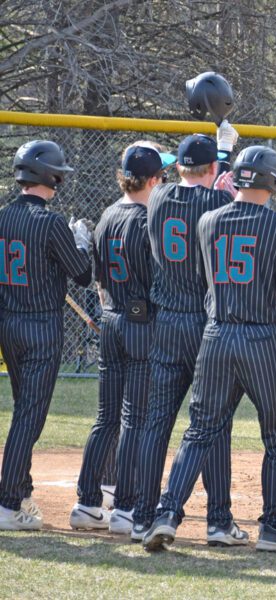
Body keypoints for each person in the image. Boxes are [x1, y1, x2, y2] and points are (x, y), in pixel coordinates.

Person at [142, 145, 276, 554]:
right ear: (273, 181)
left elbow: (206, 279)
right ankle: (274, 526)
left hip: (216, 336)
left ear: (235, 177)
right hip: (259, 338)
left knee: (199, 430)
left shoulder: (209, 220)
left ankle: (166, 515)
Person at [131, 123, 248, 546]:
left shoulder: (158, 196)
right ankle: (218, 521)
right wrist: (226, 153)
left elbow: (200, 183)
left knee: (156, 422)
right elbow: (227, 194)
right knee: (212, 424)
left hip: (166, 322)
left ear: (178, 166)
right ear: (212, 167)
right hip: (203, 320)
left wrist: (217, 154)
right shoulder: (217, 199)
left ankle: (143, 516)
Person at [70, 142, 176, 532]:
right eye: (161, 175)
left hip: (112, 318)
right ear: (152, 179)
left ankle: (87, 500)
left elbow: (97, 279)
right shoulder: (150, 219)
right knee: (135, 418)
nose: (164, 180)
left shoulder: (107, 215)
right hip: (140, 323)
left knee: (105, 418)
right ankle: (127, 505)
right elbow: (158, 281)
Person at [0, 140, 91, 530]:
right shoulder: (52, 223)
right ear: (48, 175)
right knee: (29, 416)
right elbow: (83, 275)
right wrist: (81, 241)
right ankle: (8, 503)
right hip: (41, 327)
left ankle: (20, 491)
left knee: (25, 410)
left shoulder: (2, 216)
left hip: (8, 322)